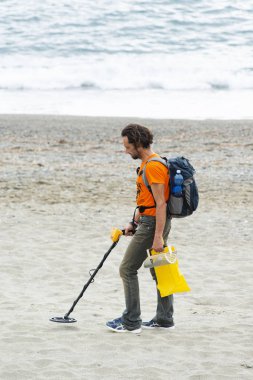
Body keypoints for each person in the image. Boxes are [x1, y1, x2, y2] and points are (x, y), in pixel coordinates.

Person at [106, 123, 174, 334]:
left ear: (137, 143)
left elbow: (161, 203)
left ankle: (131, 321)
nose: (125, 150)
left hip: (153, 225)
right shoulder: (149, 163)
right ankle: (164, 319)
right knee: (160, 270)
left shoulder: (153, 166)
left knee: (127, 269)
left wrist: (157, 237)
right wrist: (133, 222)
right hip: (149, 222)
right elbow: (147, 201)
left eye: (127, 146)